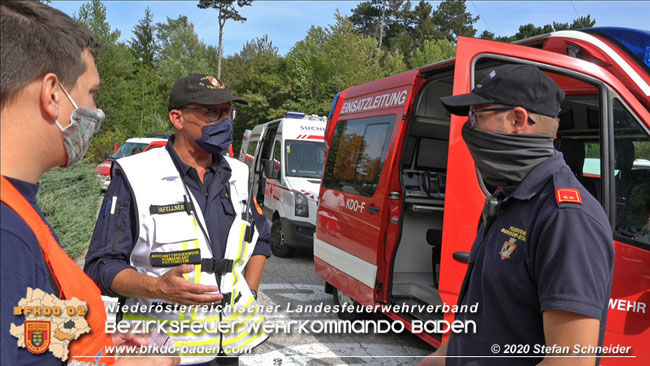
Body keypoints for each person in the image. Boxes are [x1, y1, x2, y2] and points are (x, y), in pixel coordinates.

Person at [0, 2, 178, 366]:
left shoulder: (16, 204)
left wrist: (96, 344)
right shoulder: (6, 235)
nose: (95, 111)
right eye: (91, 92)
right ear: (52, 94)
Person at [421, 64, 615, 366]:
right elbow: (484, 313)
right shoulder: (506, 199)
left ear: (517, 120)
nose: (468, 129)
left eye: (476, 116)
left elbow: (569, 362)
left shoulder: (565, 218)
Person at [84, 74, 272, 366]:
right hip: (159, 351)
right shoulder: (136, 176)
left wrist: (250, 292)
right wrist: (157, 288)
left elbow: (262, 239)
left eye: (226, 112)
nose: (224, 121)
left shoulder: (240, 175)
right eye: (211, 113)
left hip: (227, 350)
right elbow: (100, 266)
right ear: (177, 118)